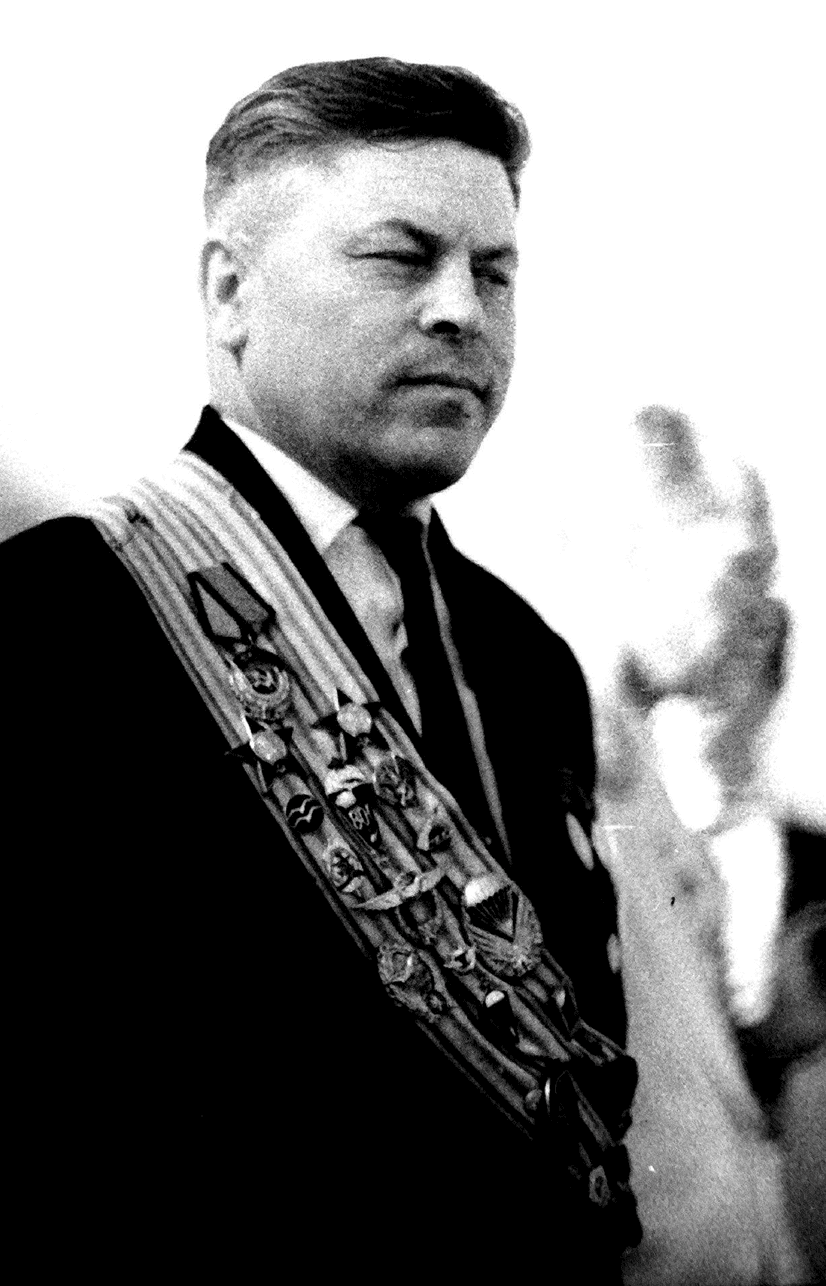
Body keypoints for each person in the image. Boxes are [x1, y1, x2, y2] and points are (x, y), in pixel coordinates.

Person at [2, 59, 637, 1275]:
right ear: (229, 290)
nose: (461, 311)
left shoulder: (529, 658)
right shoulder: (53, 621)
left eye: (494, 273)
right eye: (401, 258)